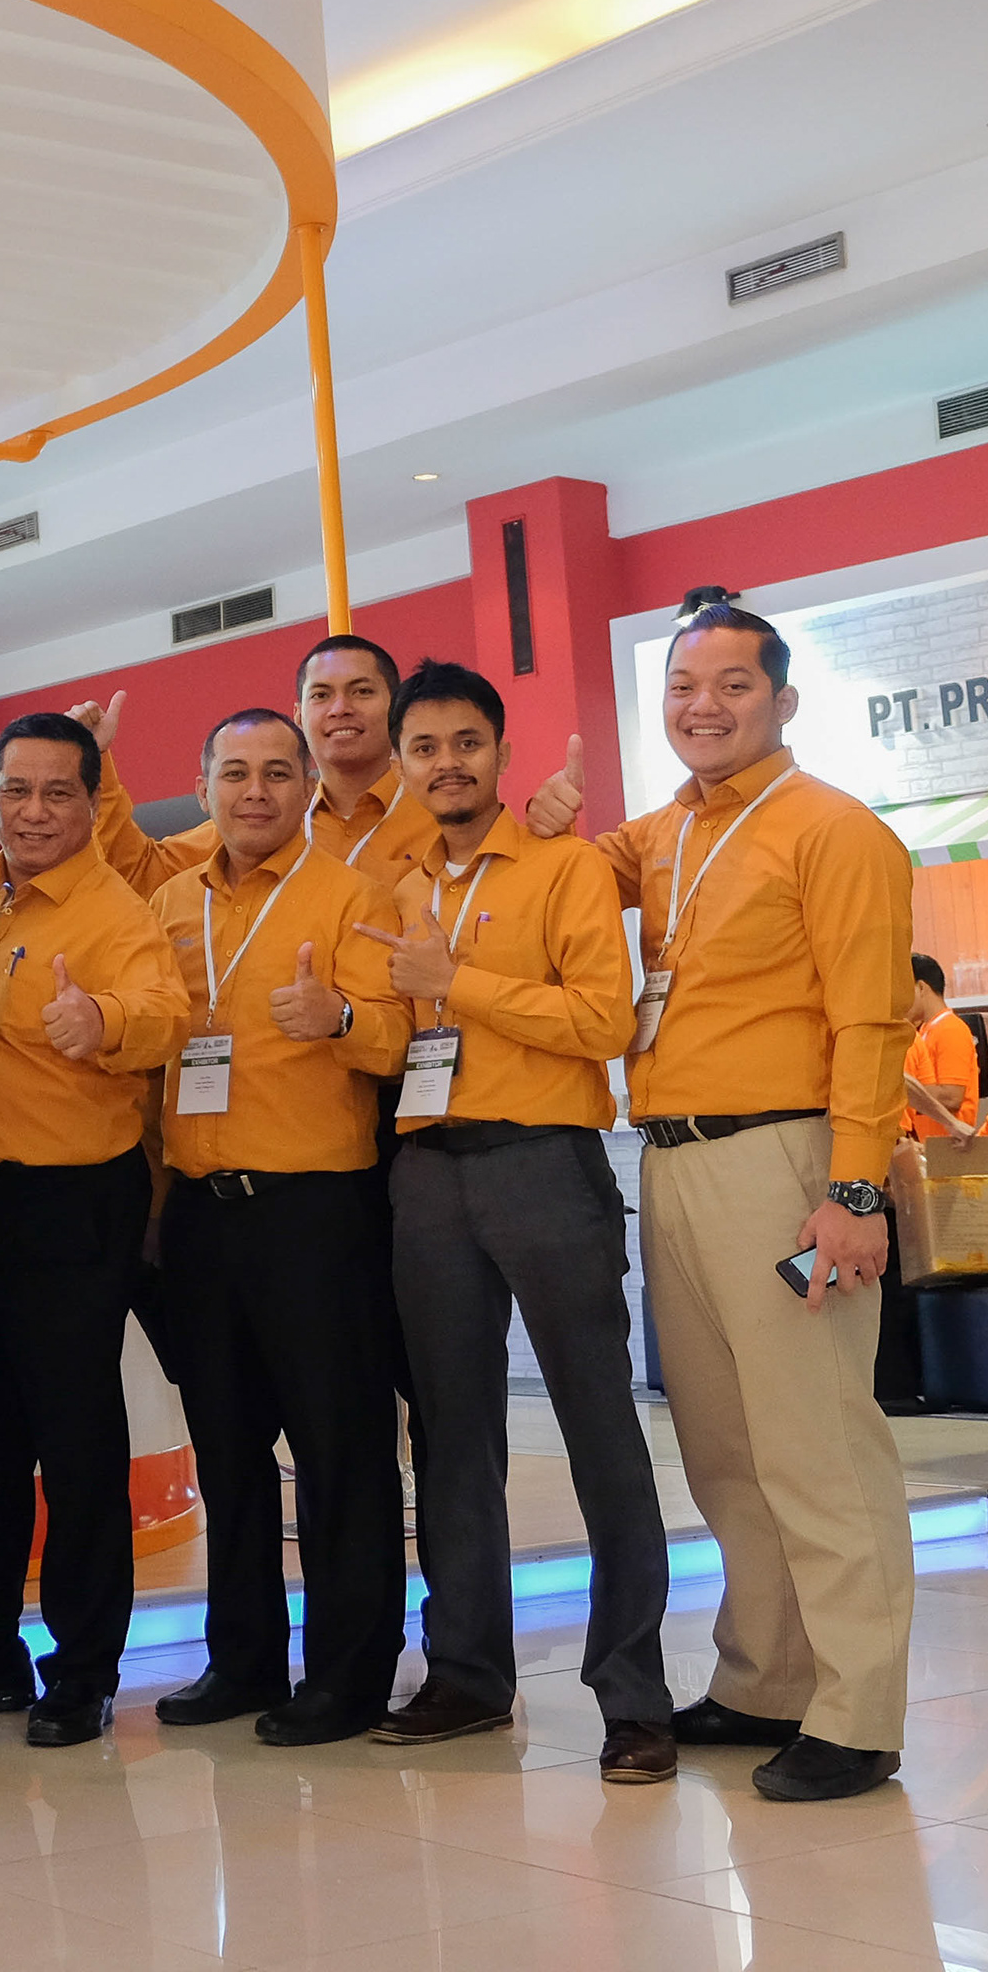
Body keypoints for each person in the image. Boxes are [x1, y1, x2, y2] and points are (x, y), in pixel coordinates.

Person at [528, 600, 916, 1803]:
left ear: (783, 700)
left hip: (787, 1160)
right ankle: (766, 1678)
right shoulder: (666, 833)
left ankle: (859, 1713)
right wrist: (548, 822)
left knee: (818, 1445)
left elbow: (872, 1022)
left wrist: (855, 1188)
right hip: (671, 1159)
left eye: (733, 685)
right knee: (726, 1448)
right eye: (684, 686)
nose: (704, 706)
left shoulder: (835, 829)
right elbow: (560, 876)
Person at [369, 663, 673, 1783]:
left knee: (599, 1424)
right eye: (424, 747)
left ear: (501, 753)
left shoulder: (564, 867)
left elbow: (602, 1019)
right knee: (451, 1434)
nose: (446, 763)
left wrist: (459, 980)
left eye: (467, 743)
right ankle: (466, 1674)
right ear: (402, 765)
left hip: (544, 1160)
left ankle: (634, 1696)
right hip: (427, 1173)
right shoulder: (395, 885)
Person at [143, 709, 407, 1746]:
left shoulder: (352, 895)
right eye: (235, 772)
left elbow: (397, 1043)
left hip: (314, 1213)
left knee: (339, 1450)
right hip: (201, 1215)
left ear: (307, 787)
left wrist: (339, 1018)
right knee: (228, 1452)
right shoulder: (169, 903)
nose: (255, 791)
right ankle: (243, 1659)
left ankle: (349, 1674)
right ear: (203, 785)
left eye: (276, 773)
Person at [0, 712, 187, 1747]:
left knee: (75, 1444)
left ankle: (82, 1670)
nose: (33, 812)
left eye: (57, 793)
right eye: (16, 789)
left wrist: (105, 1023)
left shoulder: (114, 909)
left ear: (91, 802)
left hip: (70, 1202)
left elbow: (166, 1012)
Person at [77, 635, 428, 897]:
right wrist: (94, 758)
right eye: (321, 695)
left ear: (396, 709)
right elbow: (142, 873)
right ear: (298, 716)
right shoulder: (262, 818)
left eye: (362, 691)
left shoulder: (439, 812)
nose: (340, 709)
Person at [902, 959, 979, 1133]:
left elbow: (951, 1097)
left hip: (948, 1141)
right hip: (928, 1139)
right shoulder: (925, 1030)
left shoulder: (950, 1029)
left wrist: (904, 1093)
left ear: (921, 987)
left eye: (902, 989)